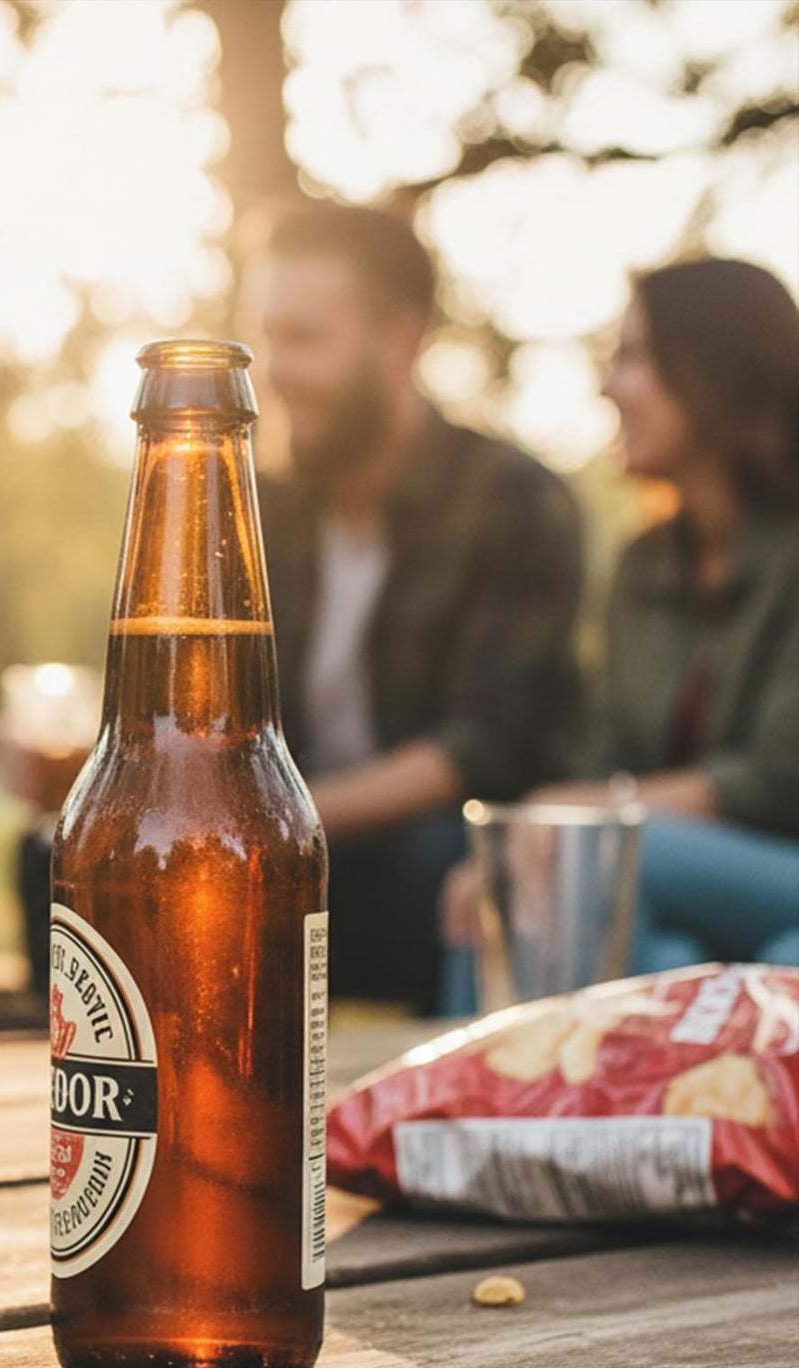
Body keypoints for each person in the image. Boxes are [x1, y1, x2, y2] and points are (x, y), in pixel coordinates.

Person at [250, 203, 586, 1011]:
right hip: (287, 836)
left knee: (444, 852)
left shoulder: (516, 500)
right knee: (60, 853)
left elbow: (483, 745)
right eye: (268, 337)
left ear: (400, 340)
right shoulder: (256, 509)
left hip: (416, 848)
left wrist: (281, 821)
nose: (274, 369)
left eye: (304, 339)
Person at [445, 258, 799, 985]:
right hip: (692, 891)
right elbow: (602, 751)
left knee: (604, 849)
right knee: (504, 883)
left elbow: (777, 778)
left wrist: (571, 816)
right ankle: (483, 1095)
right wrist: (541, 832)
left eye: (633, 358)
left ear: (715, 371)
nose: (608, 388)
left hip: (770, 869)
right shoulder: (647, 565)